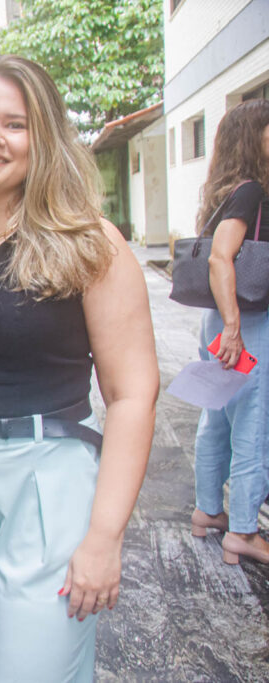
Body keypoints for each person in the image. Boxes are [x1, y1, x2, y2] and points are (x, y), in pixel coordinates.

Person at [0, 55, 158, 682]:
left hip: (51, 481)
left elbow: (132, 395)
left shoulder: (88, 241)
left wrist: (105, 536)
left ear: (41, 137)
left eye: (14, 124)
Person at [189, 99, 269, 564]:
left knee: (216, 418)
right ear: (251, 136)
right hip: (246, 322)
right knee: (254, 426)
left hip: (216, 320)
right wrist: (237, 327)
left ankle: (208, 512)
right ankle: (242, 530)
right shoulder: (252, 191)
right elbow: (221, 257)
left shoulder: (223, 191)